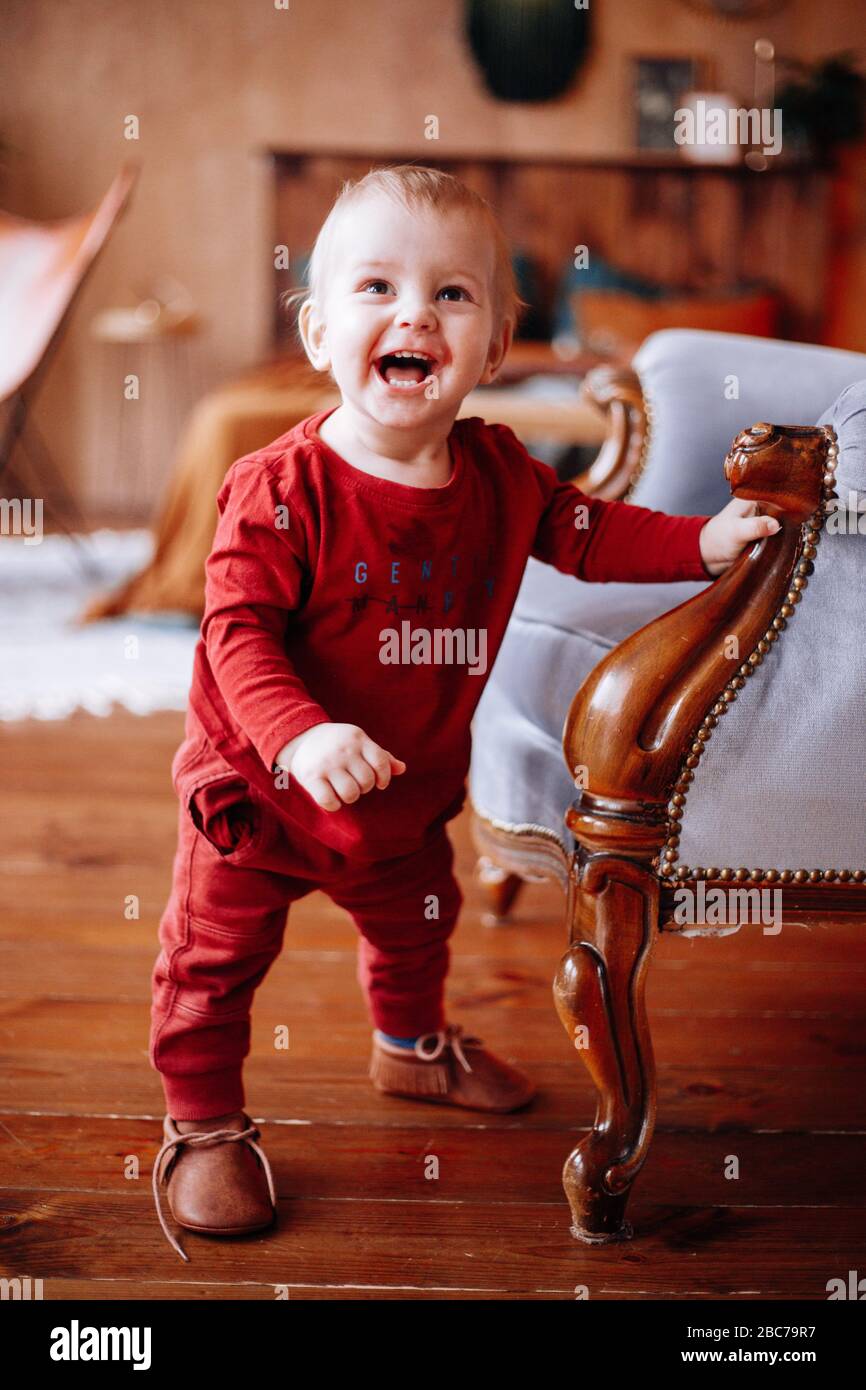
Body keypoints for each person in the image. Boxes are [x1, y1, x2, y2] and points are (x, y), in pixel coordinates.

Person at [149, 165, 780, 1261]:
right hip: (257, 789)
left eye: (451, 295)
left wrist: (699, 543)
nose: (412, 314)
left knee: (416, 929)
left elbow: (586, 534)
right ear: (316, 334)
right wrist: (298, 733)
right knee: (210, 962)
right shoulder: (279, 488)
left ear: (492, 350)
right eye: (377, 287)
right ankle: (201, 1123)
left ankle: (408, 1045)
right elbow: (234, 634)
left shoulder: (497, 471)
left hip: (398, 793)